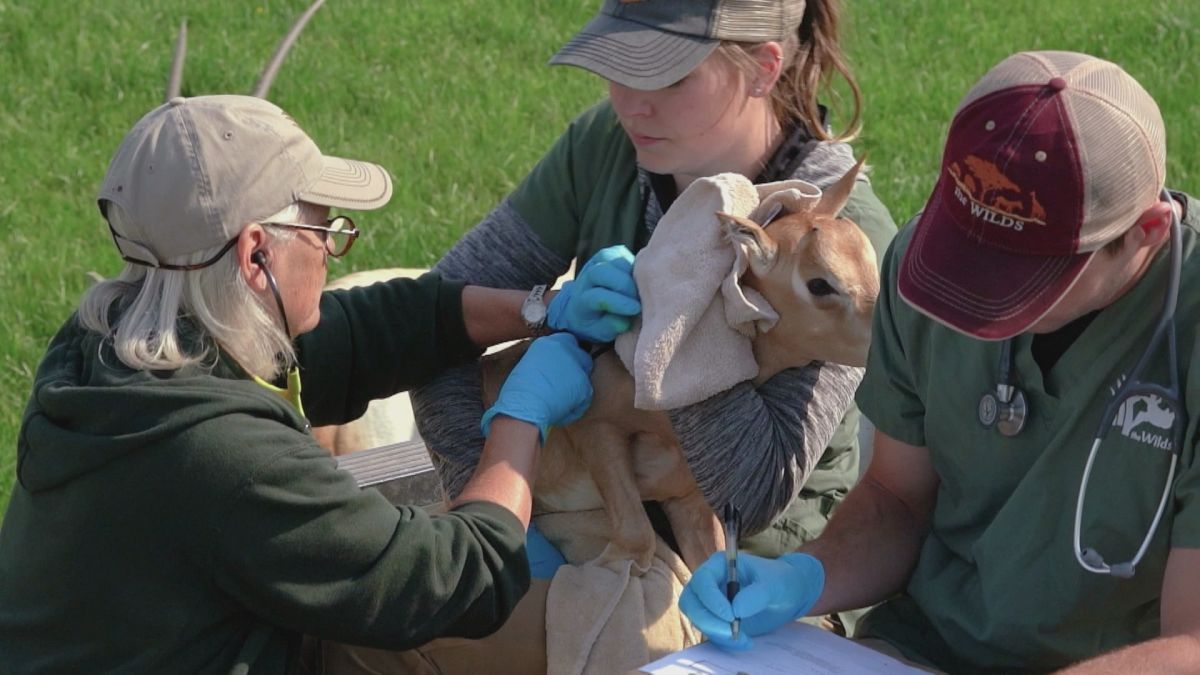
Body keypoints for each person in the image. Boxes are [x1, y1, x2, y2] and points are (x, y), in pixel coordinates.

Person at [0, 94, 641, 673]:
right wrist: (520, 419)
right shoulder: (223, 456)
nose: (333, 250)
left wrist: (541, 307)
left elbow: (368, 331)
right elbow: (454, 582)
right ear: (257, 255)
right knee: (578, 625)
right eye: (325, 231)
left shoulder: (112, 342)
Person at [680, 50, 1200, 672]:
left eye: (1024, 274)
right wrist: (803, 578)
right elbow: (897, 502)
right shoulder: (918, 268)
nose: (976, 289)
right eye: (967, 251)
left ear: (1145, 231)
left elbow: (1190, 644)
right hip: (926, 646)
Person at [411, 0, 895, 586]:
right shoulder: (610, 145)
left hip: (755, 579)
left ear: (765, 68)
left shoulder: (840, 247)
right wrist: (500, 516)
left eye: (670, 75)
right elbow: (424, 329)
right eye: (620, 64)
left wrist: (678, 310)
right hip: (579, 530)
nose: (632, 101)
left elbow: (749, 492)